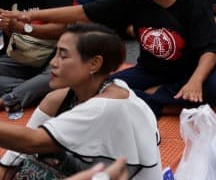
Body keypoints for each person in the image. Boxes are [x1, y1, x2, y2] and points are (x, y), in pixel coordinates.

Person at [14, 0, 216, 118]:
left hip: (190, 70)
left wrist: (195, 81)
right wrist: (30, 17)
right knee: (98, 87)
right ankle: (161, 102)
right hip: (151, 69)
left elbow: (210, 49)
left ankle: (146, 98)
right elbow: (84, 12)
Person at [0, 24, 162, 179]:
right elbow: (15, 155)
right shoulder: (60, 98)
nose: (53, 63)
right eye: (55, 54)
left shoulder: (106, 105)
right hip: (89, 171)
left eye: (63, 56)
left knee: (32, 168)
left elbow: (32, 141)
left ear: (94, 64)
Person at [0, 0, 72, 112]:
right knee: (47, 81)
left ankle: (12, 97)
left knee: (56, 74)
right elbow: (11, 40)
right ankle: (36, 91)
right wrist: (6, 26)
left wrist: (22, 27)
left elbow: (61, 29)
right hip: (23, 56)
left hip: (57, 54)